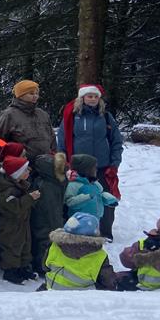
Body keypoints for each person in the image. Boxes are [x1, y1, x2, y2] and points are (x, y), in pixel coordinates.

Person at [57, 85, 123, 238]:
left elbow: (117, 142)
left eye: (95, 96)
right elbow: (62, 141)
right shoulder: (72, 117)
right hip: (77, 167)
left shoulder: (106, 117)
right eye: (89, 96)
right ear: (82, 98)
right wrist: (65, 165)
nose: (93, 99)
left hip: (101, 167)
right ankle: (74, 228)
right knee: (75, 199)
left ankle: (105, 232)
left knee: (104, 197)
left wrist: (114, 164)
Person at [40, 212, 117, 291]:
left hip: (52, 289)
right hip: (82, 297)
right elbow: (108, 281)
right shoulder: (99, 256)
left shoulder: (55, 246)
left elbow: (45, 266)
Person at [0, 155, 40, 284]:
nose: (29, 171)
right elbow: (15, 207)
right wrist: (30, 198)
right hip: (11, 224)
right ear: (17, 174)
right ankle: (10, 271)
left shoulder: (20, 185)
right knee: (12, 246)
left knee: (25, 244)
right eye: (25, 170)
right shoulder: (7, 190)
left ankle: (23, 267)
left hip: (22, 222)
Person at [0, 80, 56, 161]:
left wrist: (54, 156)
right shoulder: (9, 115)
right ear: (21, 95)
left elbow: (52, 138)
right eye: (31, 93)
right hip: (22, 165)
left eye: (37, 93)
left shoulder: (42, 114)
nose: (35, 96)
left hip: (46, 164)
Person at [30, 152, 68, 275]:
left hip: (43, 217)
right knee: (44, 241)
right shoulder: (49, 186)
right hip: (46, 220)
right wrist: (58, 226)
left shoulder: (46, 180)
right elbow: (52, 209)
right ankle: (41, 266)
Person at [64, 154, 116, 222]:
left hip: (95, 219)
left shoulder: (95, 183)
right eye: (94, 168)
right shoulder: (74, 185)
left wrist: (110, 199)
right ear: (86, 169)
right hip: (78, 221)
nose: (96, 170)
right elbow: (70, 202)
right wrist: (87, 197)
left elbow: (100, 194)